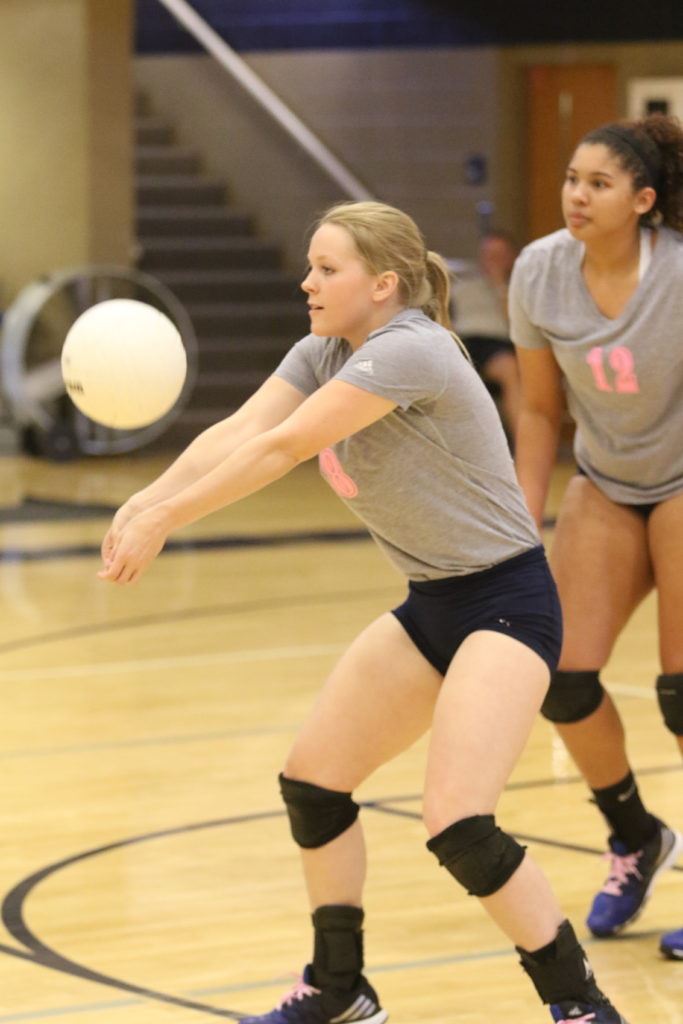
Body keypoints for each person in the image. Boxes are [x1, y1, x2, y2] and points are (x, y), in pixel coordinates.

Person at [100, 200, 628, 1022]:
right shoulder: (324, 352)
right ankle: (340, 990)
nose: (306, 282)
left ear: (382, 284)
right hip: (433, 605)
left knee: (458, 822)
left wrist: (170, 520)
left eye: (326, 268)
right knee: (314, 784)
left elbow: (282, 449)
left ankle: (580, 1005)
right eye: (310, 266)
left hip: (506, 606)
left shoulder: (410, 349)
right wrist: (147, 499)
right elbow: (242, 428)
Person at [509, 114, 683, 963]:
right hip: (608, 480)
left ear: (642, 201)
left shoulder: (678, 275)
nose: (576, 195)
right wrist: (513, 527)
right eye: (571, 180)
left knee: (681, 695)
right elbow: (540, 410)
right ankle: (635, 837)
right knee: (560, 675)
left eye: (598, 184)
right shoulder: (539, 272)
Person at [451, 230, 521, 441]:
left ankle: (523, 444)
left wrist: (499, 284)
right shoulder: (462, 286)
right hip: (462, 340)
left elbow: (516, 324)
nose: (493, 260)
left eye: (499, 255)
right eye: (488, 254)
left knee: (510, 370)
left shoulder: (516, 288)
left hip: (498, 344)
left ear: (511, 258)